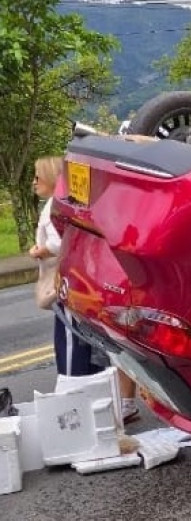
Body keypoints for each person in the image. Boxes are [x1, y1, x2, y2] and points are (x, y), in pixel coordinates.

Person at [28, 156, 140, 424]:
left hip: (69, 286)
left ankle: (75, 404)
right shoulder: (75, 203)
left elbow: (60, 242)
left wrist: (40, 251)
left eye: (37, 177)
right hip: (86, 283)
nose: (33, 183)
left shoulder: (56, 207)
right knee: (100, 346)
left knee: (74, 346)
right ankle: (103, 403)